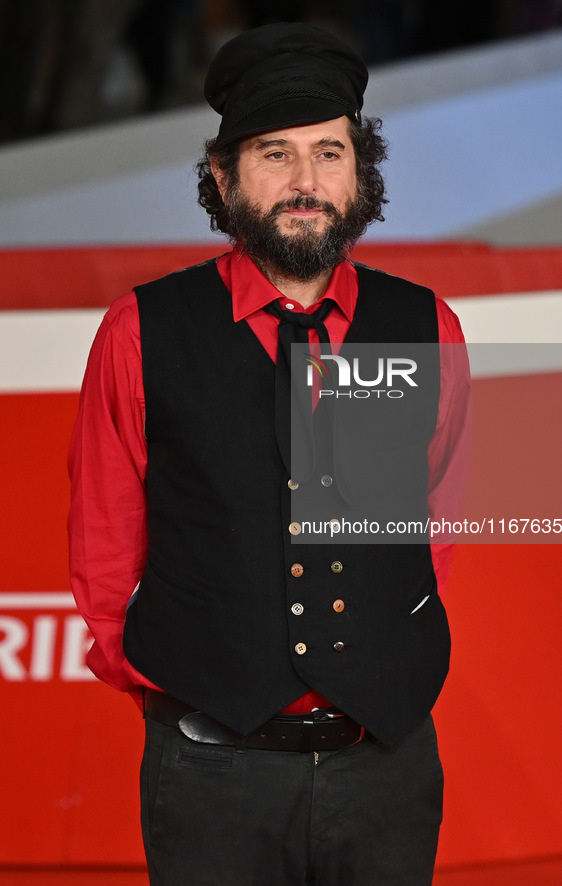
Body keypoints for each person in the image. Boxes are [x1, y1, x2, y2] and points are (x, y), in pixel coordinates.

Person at [69, 22, 470, 886]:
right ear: (223, 175)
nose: (304, 183)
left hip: (386, 767)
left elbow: (431, 519)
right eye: (273, 153)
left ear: (359, 171)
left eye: (328, 153)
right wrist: (173, 690)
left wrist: (389, 648)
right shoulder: (141, 330)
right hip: (211, 772)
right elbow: (104, 537)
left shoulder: (424, 326)